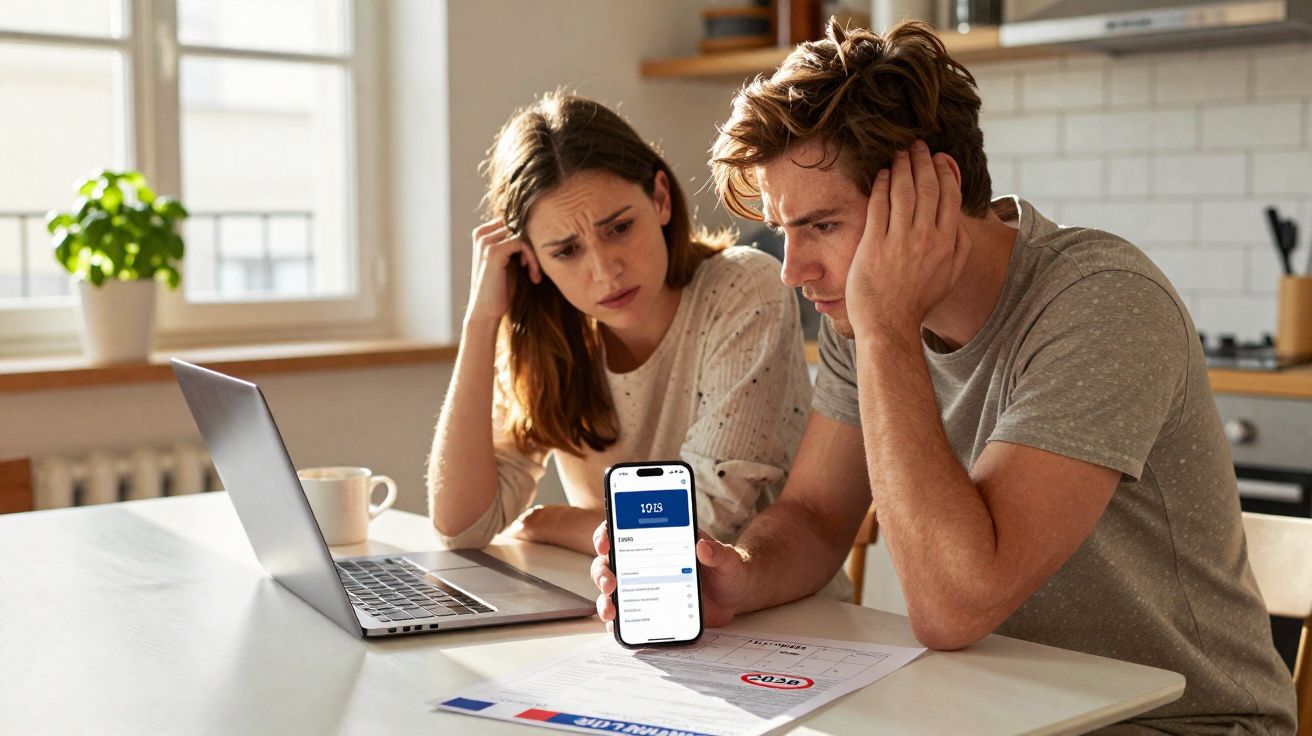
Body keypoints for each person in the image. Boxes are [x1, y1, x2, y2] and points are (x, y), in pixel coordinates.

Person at [590, 21, 1296, 733]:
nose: (793, 270)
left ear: (932, 190)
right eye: (785, 230)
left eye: (824, 226)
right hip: (1003, 710)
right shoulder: (858, 314)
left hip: (1189, 722)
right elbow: (815, 516)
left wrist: (887, 330)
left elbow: (952, 607)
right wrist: (739, 574)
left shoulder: (1101, 300)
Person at [428, 92, 826, 589]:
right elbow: (461, 525)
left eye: (618, 227)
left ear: (660, 198)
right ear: (531, 261)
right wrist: (479, 321)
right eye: (566, 251)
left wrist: (555, 521)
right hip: (623, 607)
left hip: (779, 618)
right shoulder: (552, 335)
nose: (605, 270)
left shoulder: (744, 288)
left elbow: (703, 528)